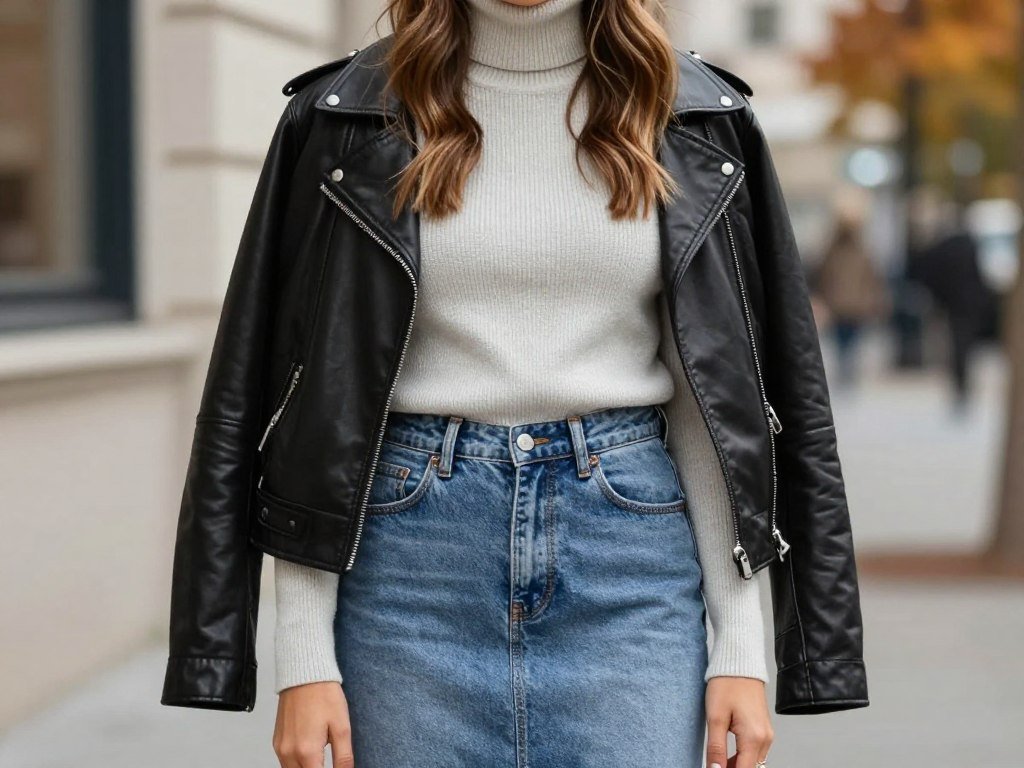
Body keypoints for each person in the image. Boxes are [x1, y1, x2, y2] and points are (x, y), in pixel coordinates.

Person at [159, 1, 870, 766]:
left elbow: (717, 404)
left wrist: (741, 645)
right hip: (407, 570)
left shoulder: (695, 114)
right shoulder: (345, 117)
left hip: (630, 569)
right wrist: (303, 655)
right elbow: (304, 400)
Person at [811, 213, 888, 387]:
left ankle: (846, 370)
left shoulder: (834, 252)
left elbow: (822, 277)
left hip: (842, 304)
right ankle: (847, 371)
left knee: (845, 342)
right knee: (847, 341)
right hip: (853, 305)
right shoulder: (859, 252)